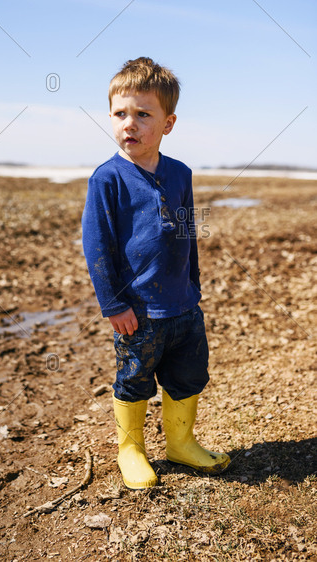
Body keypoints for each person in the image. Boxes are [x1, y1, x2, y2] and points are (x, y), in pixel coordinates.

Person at [81, 57, 230, 489]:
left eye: (143, 115)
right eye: (120, 114)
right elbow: (97, 248)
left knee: (188, 374)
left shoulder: (180, 173)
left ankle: (182, 443)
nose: (130, 123)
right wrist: (113, 304)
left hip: (183, 304)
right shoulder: (107, 179)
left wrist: (194, 284)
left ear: (168, 123)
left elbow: (186, 233)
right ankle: (132, 450)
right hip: (138, 312)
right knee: (134, 380)